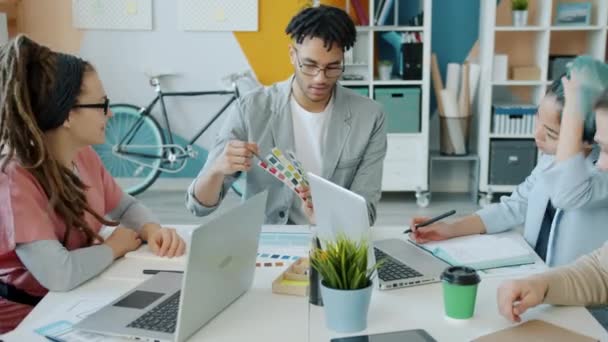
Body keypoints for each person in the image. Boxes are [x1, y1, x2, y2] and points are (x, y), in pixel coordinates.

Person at [0, 35, 186, 333]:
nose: (110, 113)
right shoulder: (14, 180)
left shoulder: (82, 155)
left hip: (76, 296)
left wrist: (151, 229)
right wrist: (114, 247)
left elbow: (123, 204)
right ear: (68, 115)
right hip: (27, 316)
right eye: (102, 104)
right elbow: (59, 274)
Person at [186, 5, 387, 225]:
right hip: (267, 241)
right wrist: (216, 169)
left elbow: (365, 212)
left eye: (332, 67)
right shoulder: (250, 108)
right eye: (309, 65)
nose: (320, 78)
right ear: (293, 55)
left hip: (334, 241)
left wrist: (328, 217)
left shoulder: (369, 117)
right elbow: (198, 206)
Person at [410, 56, 608, 267]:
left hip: (578, 294)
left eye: (551, 133)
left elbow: (567, 194)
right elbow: (514, 207)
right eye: (538, 119)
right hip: (536, 276)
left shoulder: (602, 173)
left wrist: (574, 113)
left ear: (588, 138)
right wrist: (451, 228)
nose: (536, 136)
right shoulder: (548, 160)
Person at [497, 88, 608, 323]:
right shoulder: (549, 162)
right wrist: (541, 285)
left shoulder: (596, 178)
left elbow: (566, 195)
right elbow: (602, 271)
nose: (603, 163)